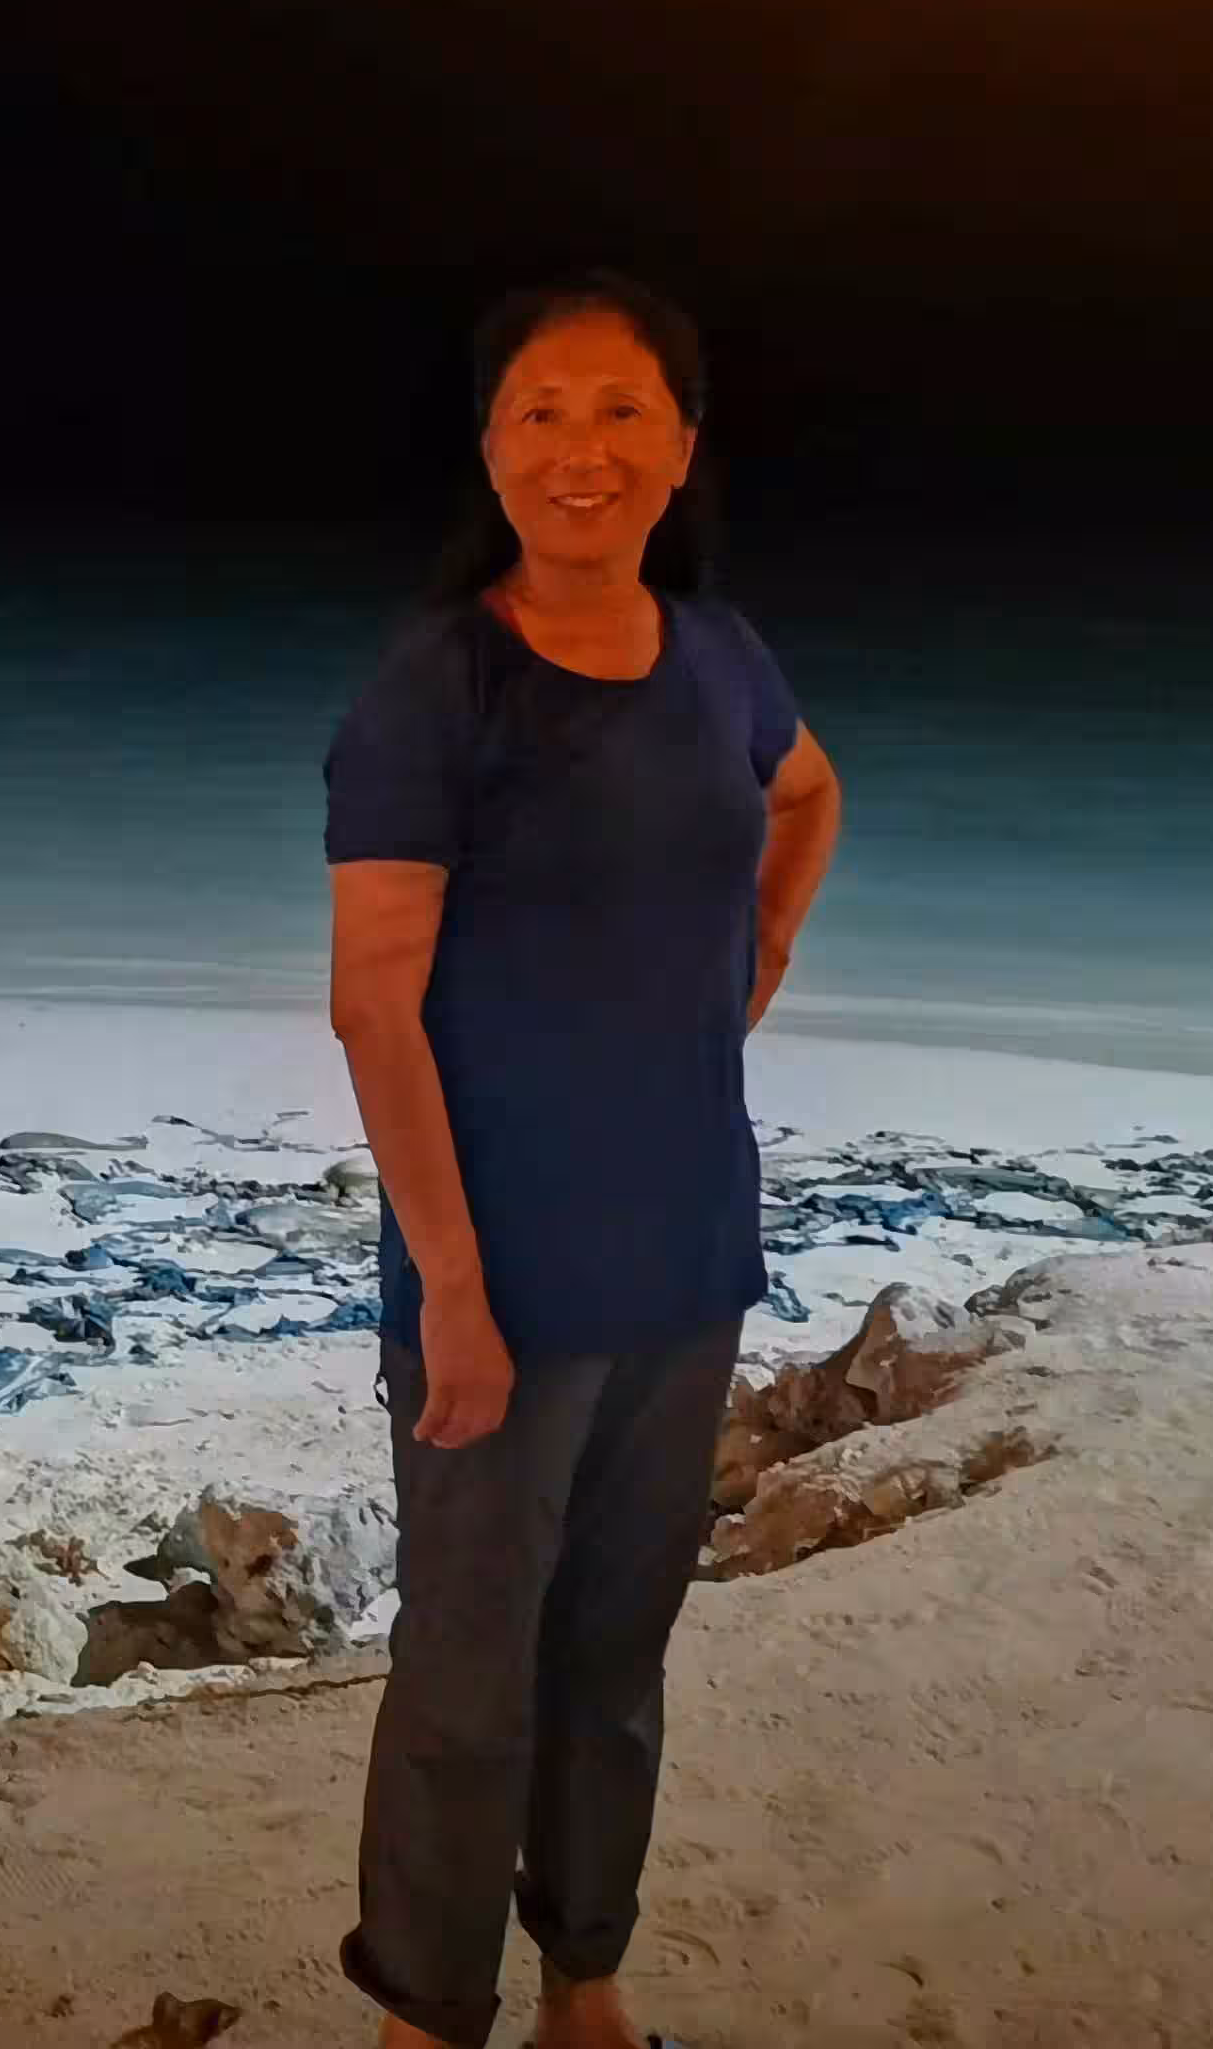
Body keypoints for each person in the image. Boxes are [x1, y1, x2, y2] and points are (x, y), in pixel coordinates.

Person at [324, 271, 843, 2049]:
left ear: (682, 447)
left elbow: (808, 794)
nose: (582, 449)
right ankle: (424, 2015)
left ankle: (586, 1983)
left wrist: (757, 955)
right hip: (506, 1279)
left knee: (615, 1660)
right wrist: (453, 1297)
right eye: (541, 410)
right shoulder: (436, 689)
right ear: (491, 448)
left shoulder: (720, 658)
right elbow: (374, 1010)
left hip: (688, 1256)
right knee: (469, 1676)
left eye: (623, 410)